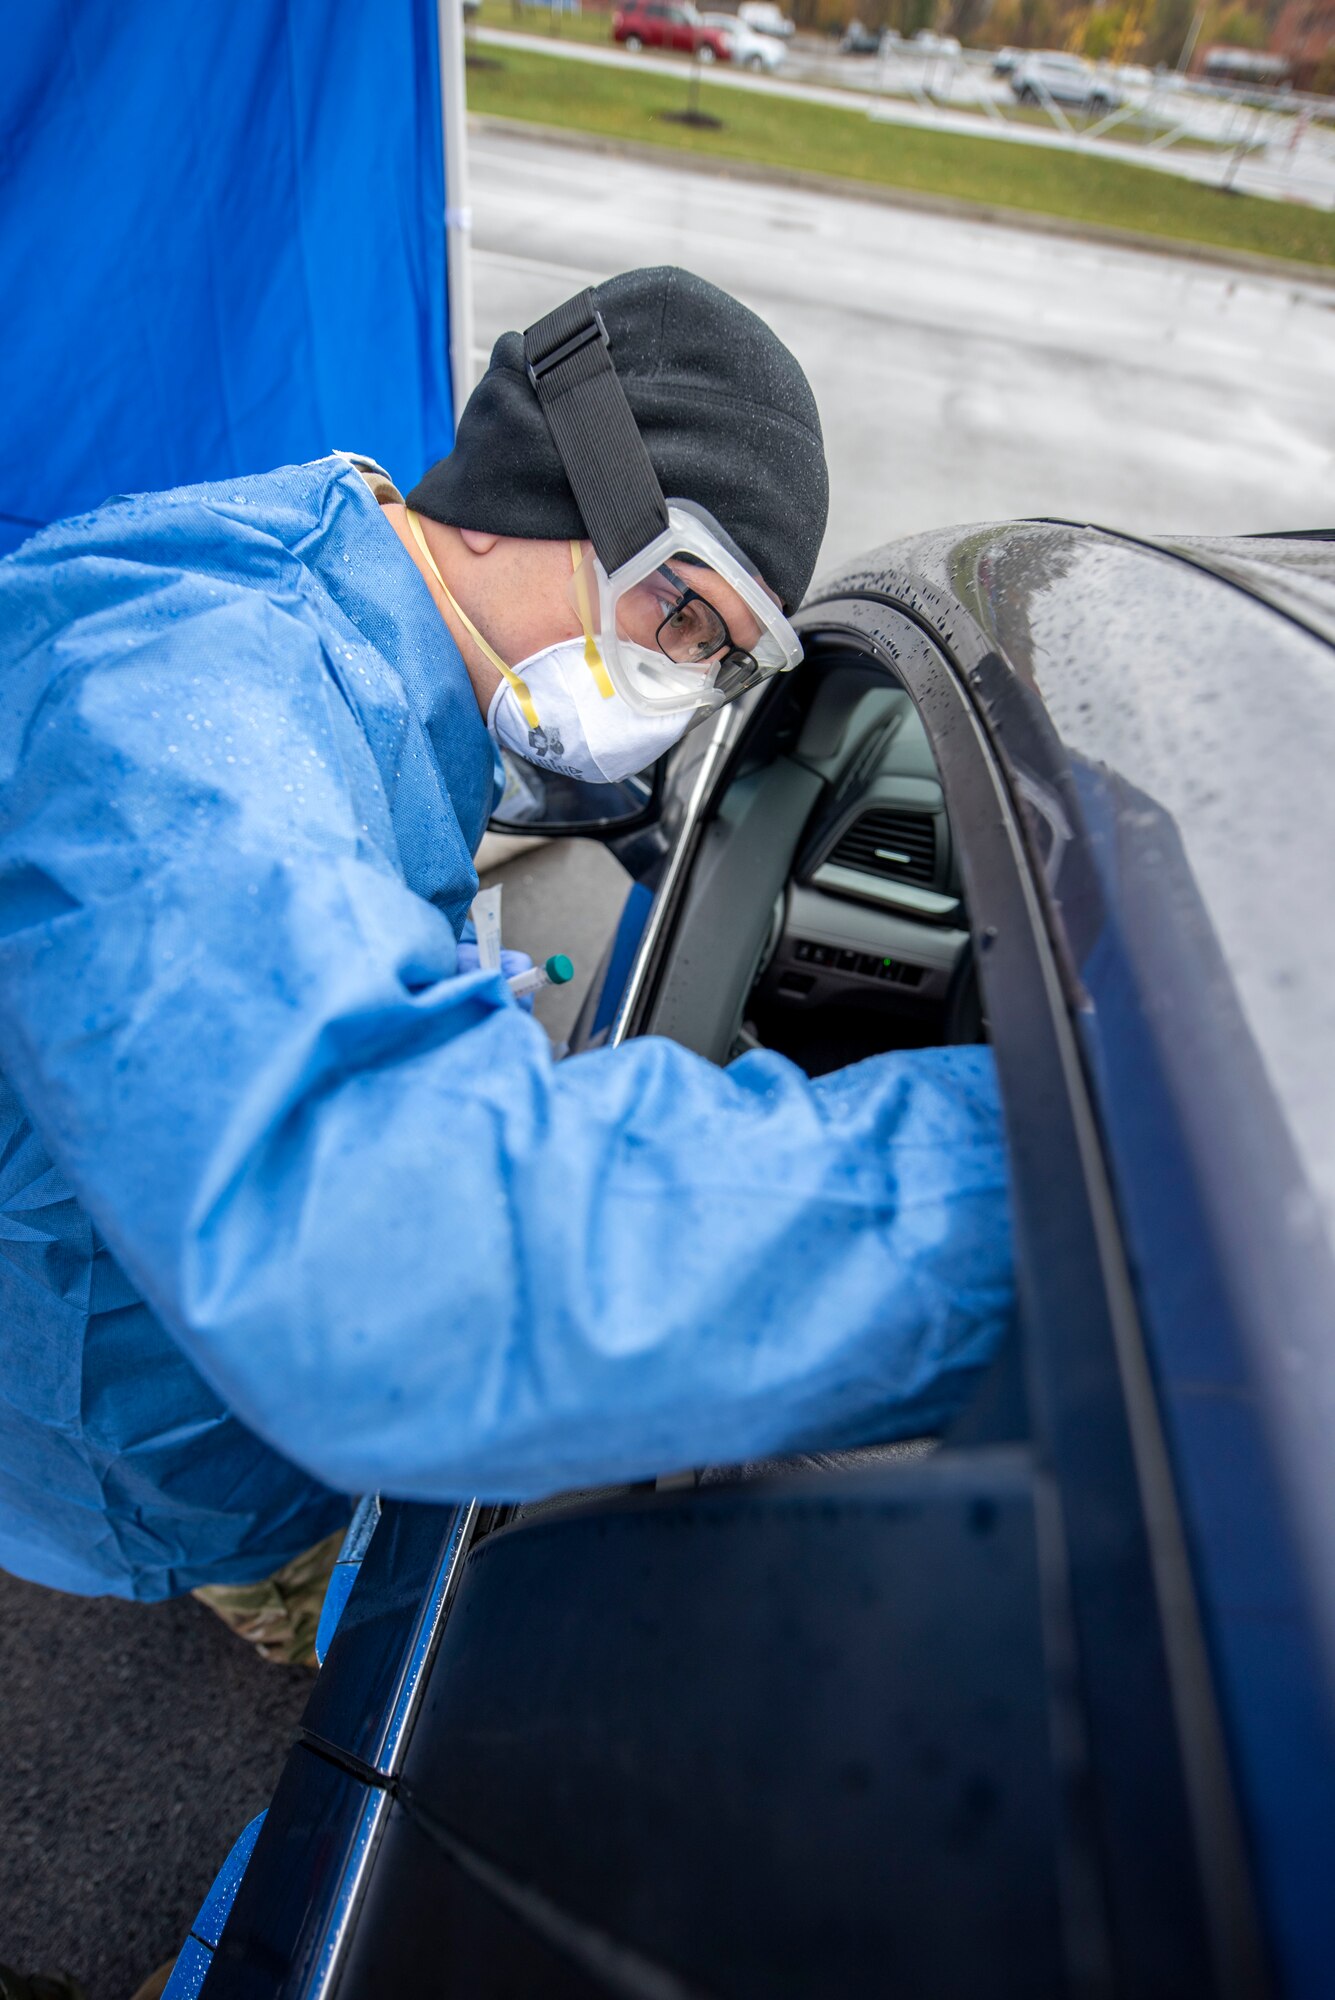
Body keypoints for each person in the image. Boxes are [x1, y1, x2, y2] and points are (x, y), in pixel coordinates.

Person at [0, 267, 1013, 1638]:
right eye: (685, 617)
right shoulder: (185, 706)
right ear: (528, 487)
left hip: (165, 1364)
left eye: (720, 670)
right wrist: (1021, 1170)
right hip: (119, 1442)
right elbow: (393, 1264)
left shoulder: (346, 609)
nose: (671, 701)